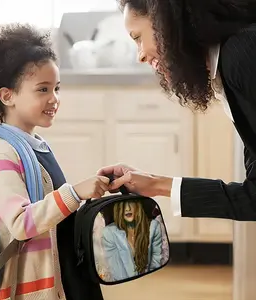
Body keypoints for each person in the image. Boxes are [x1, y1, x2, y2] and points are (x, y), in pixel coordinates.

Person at [0, 24, 109, 300]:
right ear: (7, 96)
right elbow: (20, 223)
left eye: (56, 88)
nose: (54, 99)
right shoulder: (3, 154)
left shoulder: (34, 145)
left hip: (60, 274)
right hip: (33, 288)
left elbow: (52, 210)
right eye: (42, 89)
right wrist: (76, 192)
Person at [97, 0, 256, 221]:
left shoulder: (243, 56)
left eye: (138, 37)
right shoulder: (231, 60)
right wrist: (155, 184)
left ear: (168, 23)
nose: (140, 56)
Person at [101, 200, 162, 281]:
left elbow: (156, 260)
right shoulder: (109, 232)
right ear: (117, 209)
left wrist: (148, 280)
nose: (127, 208)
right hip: (124, 284)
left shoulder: (154, 227)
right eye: (123, 205)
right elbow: (116, 269)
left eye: (130, 203)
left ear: (138, 206)